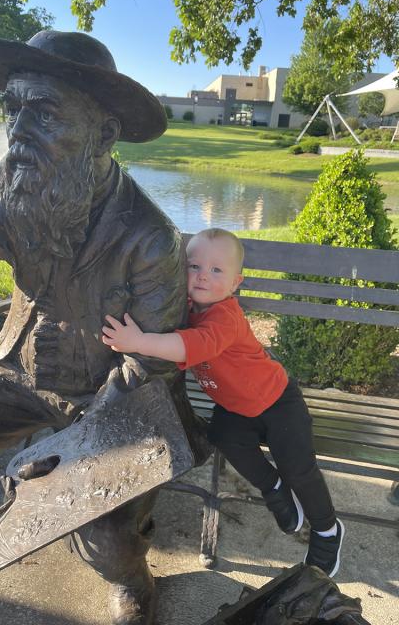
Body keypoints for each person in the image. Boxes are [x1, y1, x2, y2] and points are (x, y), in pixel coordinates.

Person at [0, 31, 208, 625]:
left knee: (100, 524)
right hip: (17, 375)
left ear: (103, 135)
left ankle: (133, 586)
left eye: (46, 113)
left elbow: (150, 365)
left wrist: (66, 451)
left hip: (114, 400)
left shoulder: (150, 240)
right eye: (14, 110)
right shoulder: (11, 201)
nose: (20, 131)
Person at [102, 227, 345, 578]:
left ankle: (327, 530)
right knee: (223, 437)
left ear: (235, 283)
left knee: (299, 468)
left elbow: (186, 347)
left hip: (278, 402)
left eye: (217, 270)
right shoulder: (184, 307)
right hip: (234, 406)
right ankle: (273, 487)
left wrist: (138, 341)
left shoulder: (225, 318)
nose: (203, 275)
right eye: (194, 266)